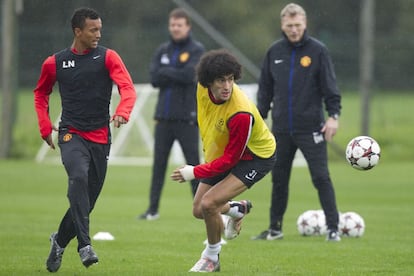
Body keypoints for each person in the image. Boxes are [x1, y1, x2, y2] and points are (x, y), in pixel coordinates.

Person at [34, 7, 136, 272]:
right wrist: (45, 125)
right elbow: (40, 93)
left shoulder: (108, 57)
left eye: (100, 29)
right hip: (71, 134)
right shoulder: (54, 63)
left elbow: (127, 88)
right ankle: (84, 245)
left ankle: (58, 241)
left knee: (86, 201)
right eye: (93, 30)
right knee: (77, 177)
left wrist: (123, 112)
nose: (98, 34)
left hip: (101, 137)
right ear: (77, 31)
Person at [171, 49, 277, 272]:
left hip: (256, 157)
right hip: (222, 153)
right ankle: (237, 210)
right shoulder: (201, 88)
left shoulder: (241, 113)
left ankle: (212, 257)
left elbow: (231, 160)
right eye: (221, 80)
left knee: (209, 204)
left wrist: (195, 171)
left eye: (230, 79)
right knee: (199, 210)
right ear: (208, 82)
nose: (227, 86)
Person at [253, 3, 342, 242]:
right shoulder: (274, 52)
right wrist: (258, 119)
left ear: (305, 24)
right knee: (279, 179)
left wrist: (333, 116)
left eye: (298, 25)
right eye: (289, 25)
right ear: (283, 25)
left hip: (312, 128)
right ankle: (275, 229)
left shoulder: (318, 51)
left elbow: (330, 87)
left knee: (321, 177)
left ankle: (333, 228)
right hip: (281, 130)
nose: (294, 30)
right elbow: (265, 91)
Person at [139, 8, 205, 220]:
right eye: (173, 25)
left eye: (180, 25)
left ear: (188, 27)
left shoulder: (196, 49)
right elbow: (155, 79)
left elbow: (190, 76)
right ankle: (152, 210)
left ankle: (200, 208)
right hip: (163, 119)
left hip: (187, 119)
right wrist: (174, 73)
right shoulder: (163, 50)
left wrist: (168, 72)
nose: (175, 28)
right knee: (158, 166)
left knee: (194, 166)